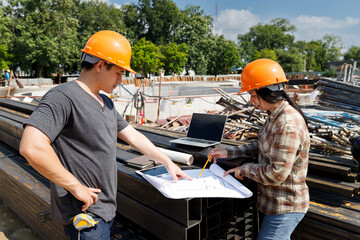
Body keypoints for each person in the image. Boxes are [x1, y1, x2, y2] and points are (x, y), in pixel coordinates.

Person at [19, 30, 191, 240]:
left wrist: (166, 161)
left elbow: (133, 135)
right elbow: (32, 146)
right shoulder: (62, 97)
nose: (121, 79)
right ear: (100, 65)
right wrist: (75, 186)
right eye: (119, 72)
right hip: (84, 214)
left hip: (105, 210)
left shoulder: (105, 102)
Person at [210, 59, 310, 240]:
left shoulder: (287, 124)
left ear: (268, 92)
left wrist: (244, 169)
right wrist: (229, 152)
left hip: (285, 206)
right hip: (271, 202)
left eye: (254, 95)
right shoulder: (274, 116)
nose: (251, 101)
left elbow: (276, 173)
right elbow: (261, 144)